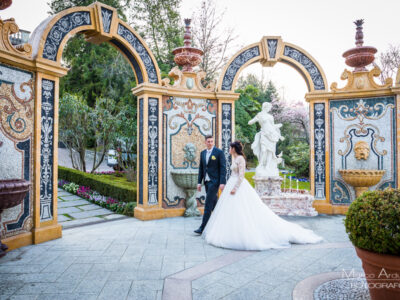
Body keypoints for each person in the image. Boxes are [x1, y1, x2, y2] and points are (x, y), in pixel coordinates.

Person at [202, 141, 322, 250]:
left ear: (234, 149)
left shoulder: (240, 159)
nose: (229, 149)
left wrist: (235, 188)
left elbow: (242, 175)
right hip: (231, 183)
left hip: (237, 186)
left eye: (230, 147)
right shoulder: (234, 159)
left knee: (241, 209)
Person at [194, 135, 226, 234]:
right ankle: (223, 222)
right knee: (214, 204)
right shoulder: (203, 153)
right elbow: (201, 168)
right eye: (208, 141)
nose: (210, 143)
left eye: (212, 141)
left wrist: (222, 182)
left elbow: (223, 168)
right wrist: (199, 182)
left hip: (215, 182)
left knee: (208, 204)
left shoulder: (219, 152)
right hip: (207, 182)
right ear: (205, 142)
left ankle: (202, 227)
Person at [248, 102, 284, 177]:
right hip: (264, 134)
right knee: (264, 150)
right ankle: (261, 164)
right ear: (265, 107)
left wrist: (279, 135)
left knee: (270, 151)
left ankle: (267, 166)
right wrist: (254, 120)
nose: (269, 109)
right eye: (269, 108)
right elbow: (250, 123)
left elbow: (273, 126)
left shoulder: (270, 116)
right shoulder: (259, 115)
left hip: (271, 135)